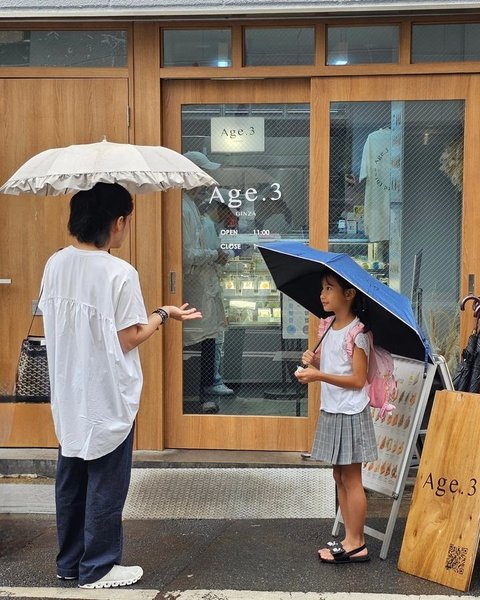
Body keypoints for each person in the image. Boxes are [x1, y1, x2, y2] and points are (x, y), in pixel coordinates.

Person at [39, 182, 201, 589]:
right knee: (107, 481)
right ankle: (99, 567)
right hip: (106, 389)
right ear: (117, 223)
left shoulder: (55, 262)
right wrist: (163, 314)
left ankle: (70, 563)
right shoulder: (119, 272)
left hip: (69, 387)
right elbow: (128, 336)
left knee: (72, 476)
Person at [294, 268, 377, 564]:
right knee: (338, 475)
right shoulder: (327, 325)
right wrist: (312, 360)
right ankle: (348, 536)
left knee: (352, 477)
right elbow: (329, 361)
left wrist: (318, 375)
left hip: (351, 411)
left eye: (329, 288)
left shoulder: (358, 333)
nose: (323, 294)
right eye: (322, 288)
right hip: (332, 409)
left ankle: (358, 542)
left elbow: (357, 379)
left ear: (349, 294)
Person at [182, 153, 231, 408]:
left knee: (204, 339)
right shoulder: (182, 207)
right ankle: (197, 398)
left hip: (201, 288)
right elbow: (185, 254)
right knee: (197, 342)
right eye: (202, 174)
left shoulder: (190, 205)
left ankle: (202, 395)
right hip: (194, 289)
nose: (205, 182)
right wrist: (213, 254)